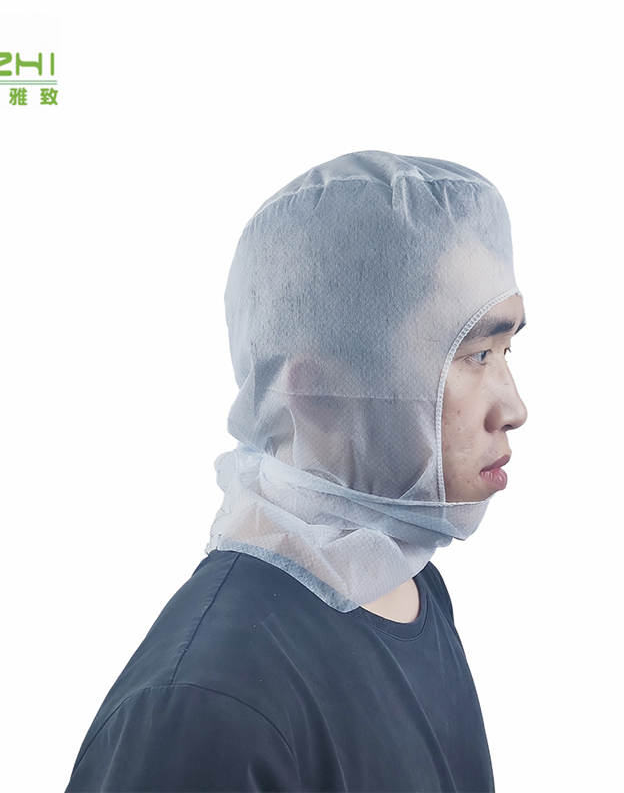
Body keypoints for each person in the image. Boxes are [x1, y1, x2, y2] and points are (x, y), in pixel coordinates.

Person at [65, 151, 528, 792]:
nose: (515, 408)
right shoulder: (206, 707)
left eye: (507, 349)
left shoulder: (409, 590)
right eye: (474, 355)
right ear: (315, 393)